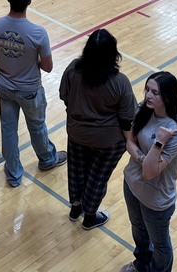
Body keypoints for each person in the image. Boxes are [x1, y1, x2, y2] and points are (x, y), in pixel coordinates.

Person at [0, 0, 67, 187]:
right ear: (29, 2)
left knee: (8, 130)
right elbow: (47, 67)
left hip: (4, 86)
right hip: (29, 89)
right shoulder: (38, 32)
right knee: (37, 125)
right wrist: (28, 60)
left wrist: (6, 59)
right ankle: (47, 159)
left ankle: (13, 174)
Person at [59, 28, 136, 230]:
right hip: (107, 141)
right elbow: (128, 117)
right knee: (97, 178)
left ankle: (76, 209)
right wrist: (129, 140)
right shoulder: (120, 82)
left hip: (76, 133)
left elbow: (64, 96)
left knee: (76, 171)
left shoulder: (73, 69)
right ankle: (90, 217)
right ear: (113, 54)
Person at [121, 72, 177, 272]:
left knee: (160, 246)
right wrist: (143, 159)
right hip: (132, 185)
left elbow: (150, 173)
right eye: (147, 90)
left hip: (156, 200)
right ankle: (142, 264)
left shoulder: (175, 132)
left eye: (155, 92)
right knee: (138, 231)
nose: (148, 95)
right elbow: (129, 141)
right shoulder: (144, 109)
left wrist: (159, 142)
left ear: (168, 97)